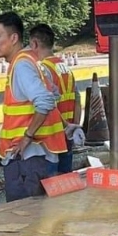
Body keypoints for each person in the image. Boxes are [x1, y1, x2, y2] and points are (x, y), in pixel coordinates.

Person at [0, 12, 68, 202]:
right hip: (38, 158)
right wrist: (66, 125)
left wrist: (27, 137)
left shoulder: (22, 66)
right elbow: (53, 95)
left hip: (27, 160)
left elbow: (44, 101)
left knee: (25, 220)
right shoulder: (34, 62)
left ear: (14, 37)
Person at [28, 24, 84, 175]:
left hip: (52, 138)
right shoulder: (65, 68)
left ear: (34, 44)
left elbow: (45, 103)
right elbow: (77, 100)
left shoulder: (43, 69)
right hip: (67, 135)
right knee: (65, 183)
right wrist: (74, 126)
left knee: (50, 185)